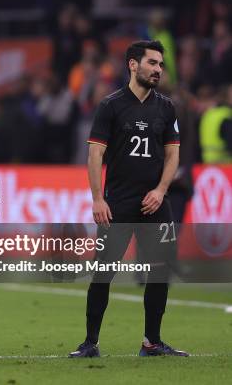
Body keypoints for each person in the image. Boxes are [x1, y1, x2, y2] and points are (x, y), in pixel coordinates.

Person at [69, 40, 189, 358]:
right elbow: (95, 153)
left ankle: (152, 342)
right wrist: (98, 199)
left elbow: (173, 154)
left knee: (159, 272)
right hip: (118, 203)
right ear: (133, 65)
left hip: (155, 204)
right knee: (103, 272)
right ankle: (90, 342)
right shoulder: (111, 105)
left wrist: (161, 190)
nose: (158, 69)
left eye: (161, 64)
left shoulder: (166, 107)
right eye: (152, 63)